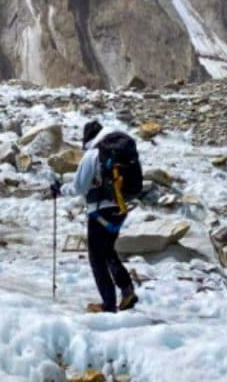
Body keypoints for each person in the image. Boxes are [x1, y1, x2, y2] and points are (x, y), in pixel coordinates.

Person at [67, 120, 137, 313]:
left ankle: (108, 305)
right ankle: (127, 290)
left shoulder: (93, 154)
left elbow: (79, 186)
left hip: (99, 211)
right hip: (120, 207)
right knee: (108, 251)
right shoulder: (121, 150)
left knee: (96, 257)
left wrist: (60, 188)